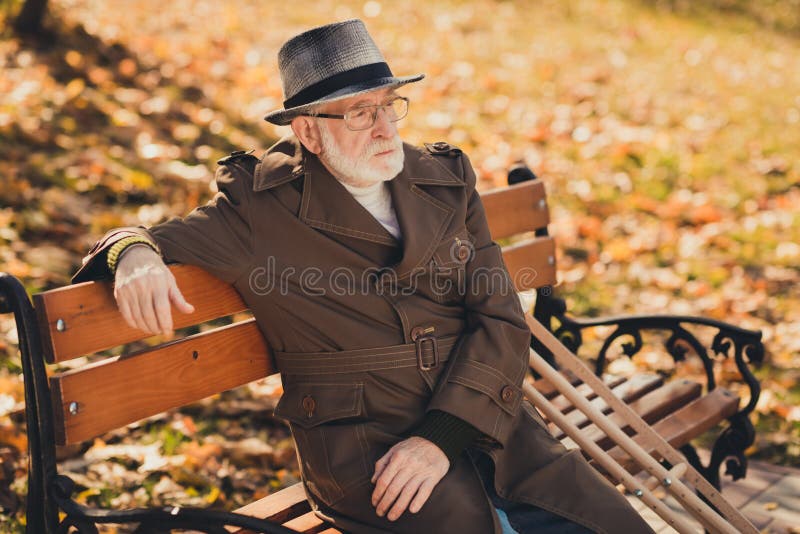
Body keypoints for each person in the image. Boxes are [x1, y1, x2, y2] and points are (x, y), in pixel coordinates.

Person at [73, 19, 653, 534]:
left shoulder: (444, 182)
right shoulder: (260, 211)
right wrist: (135, 254)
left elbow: (500, 319)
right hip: (368, 450)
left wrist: (442, 436)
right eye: (358, 112)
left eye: (387, 104)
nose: (382, 128)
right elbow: (145, 238)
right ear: (307, 133)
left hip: (482, 422)